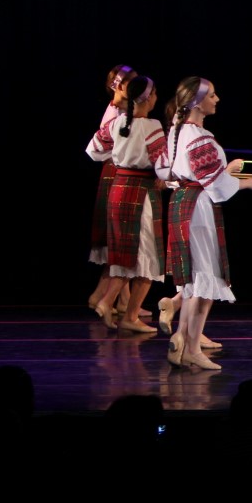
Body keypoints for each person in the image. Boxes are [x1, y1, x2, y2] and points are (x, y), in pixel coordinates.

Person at [159, 77, 252, 370]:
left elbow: (174, 170)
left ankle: (185, 344)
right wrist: (247, 183)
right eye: (212, 95)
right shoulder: (199, 137)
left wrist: (225, 171)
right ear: (197, 102)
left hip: (184, 202)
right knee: (203, 279)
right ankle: (192, 349)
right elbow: (215, 185)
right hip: (197, 208)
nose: (216, 100)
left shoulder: (178, 132)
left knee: (197, 280)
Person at [85, 76, 168, 334]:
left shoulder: (117, 123)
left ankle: (110, 302)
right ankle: (127, 314)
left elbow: (93, 150)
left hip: (118, 189)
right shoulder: (152, 126)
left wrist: (121, 156)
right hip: (141, 192)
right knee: (148, 257)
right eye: (155, 94)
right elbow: (164, 166)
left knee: (125, 253)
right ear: (148, 98)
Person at [86, 64, 137, 318]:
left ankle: (122, 299)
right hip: (116, 173)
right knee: (118, 240)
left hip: (118, 172)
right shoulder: (115, 113)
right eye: (131, 82)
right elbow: (105, 148)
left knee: (120, 241)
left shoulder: (126, 110)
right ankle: (103, 296)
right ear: (118, 85)